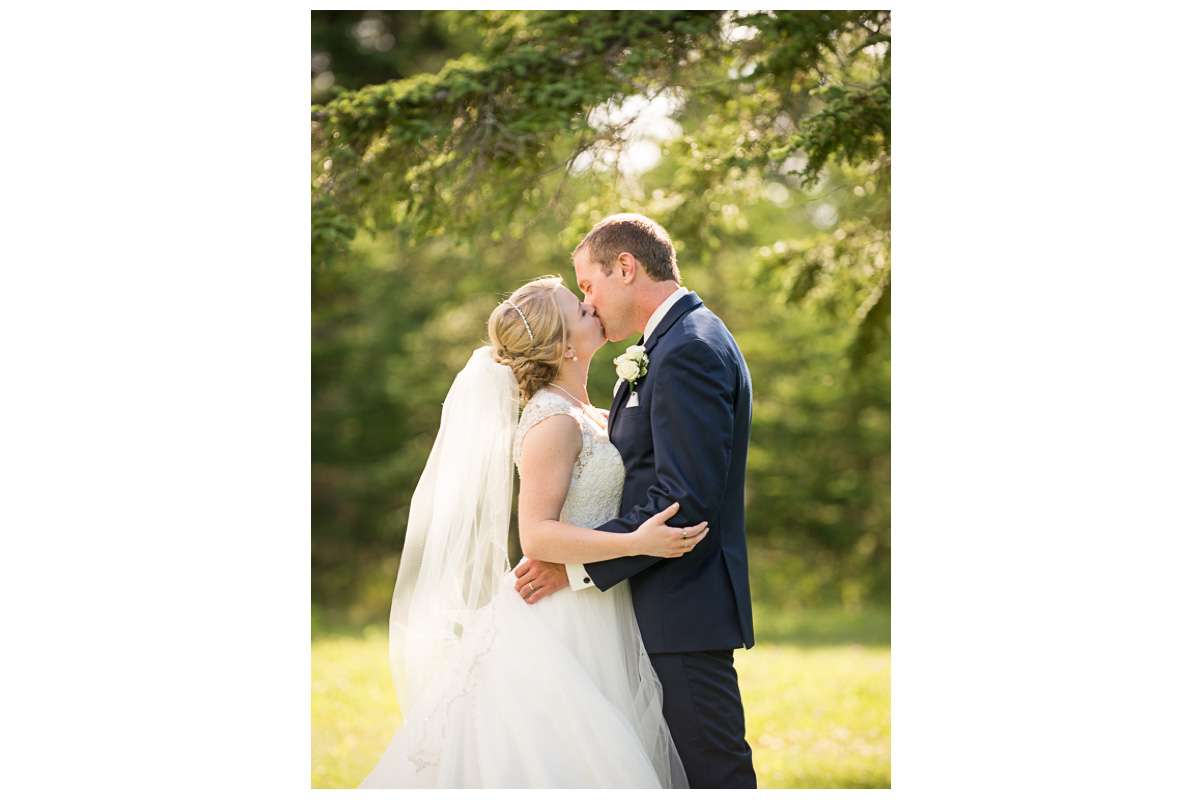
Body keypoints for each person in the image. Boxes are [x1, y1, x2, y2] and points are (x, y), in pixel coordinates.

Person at [358, 276, 706, 789]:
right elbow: (538, 537)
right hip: (556, 618)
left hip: (595, 603)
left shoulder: (587, 411)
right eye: (580, 310)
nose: (593, 306)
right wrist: (636, 543)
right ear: (565, 346)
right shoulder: (553, 420)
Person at [515, 214, 757, 788]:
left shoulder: (687, 350)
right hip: (651, 607)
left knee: (714, 774)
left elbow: (684, 502)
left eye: (588, 285)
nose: (587, 301)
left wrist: (574, 567)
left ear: (625, 267)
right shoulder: (670, 344)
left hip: (682, 608)